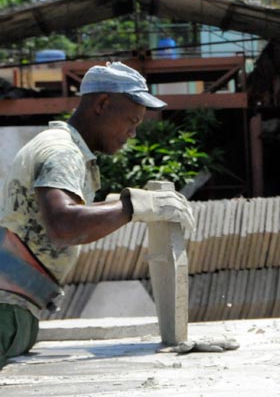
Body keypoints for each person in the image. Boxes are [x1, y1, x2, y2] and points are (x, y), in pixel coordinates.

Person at [0, 62, 195, 367]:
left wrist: (129, 202)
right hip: (5, 312)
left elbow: (69, 213)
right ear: (102, 104)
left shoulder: (58, 144)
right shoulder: (63, 153)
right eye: (131, 120)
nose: (132, 132)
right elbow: (64, 225)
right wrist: (134, 207)